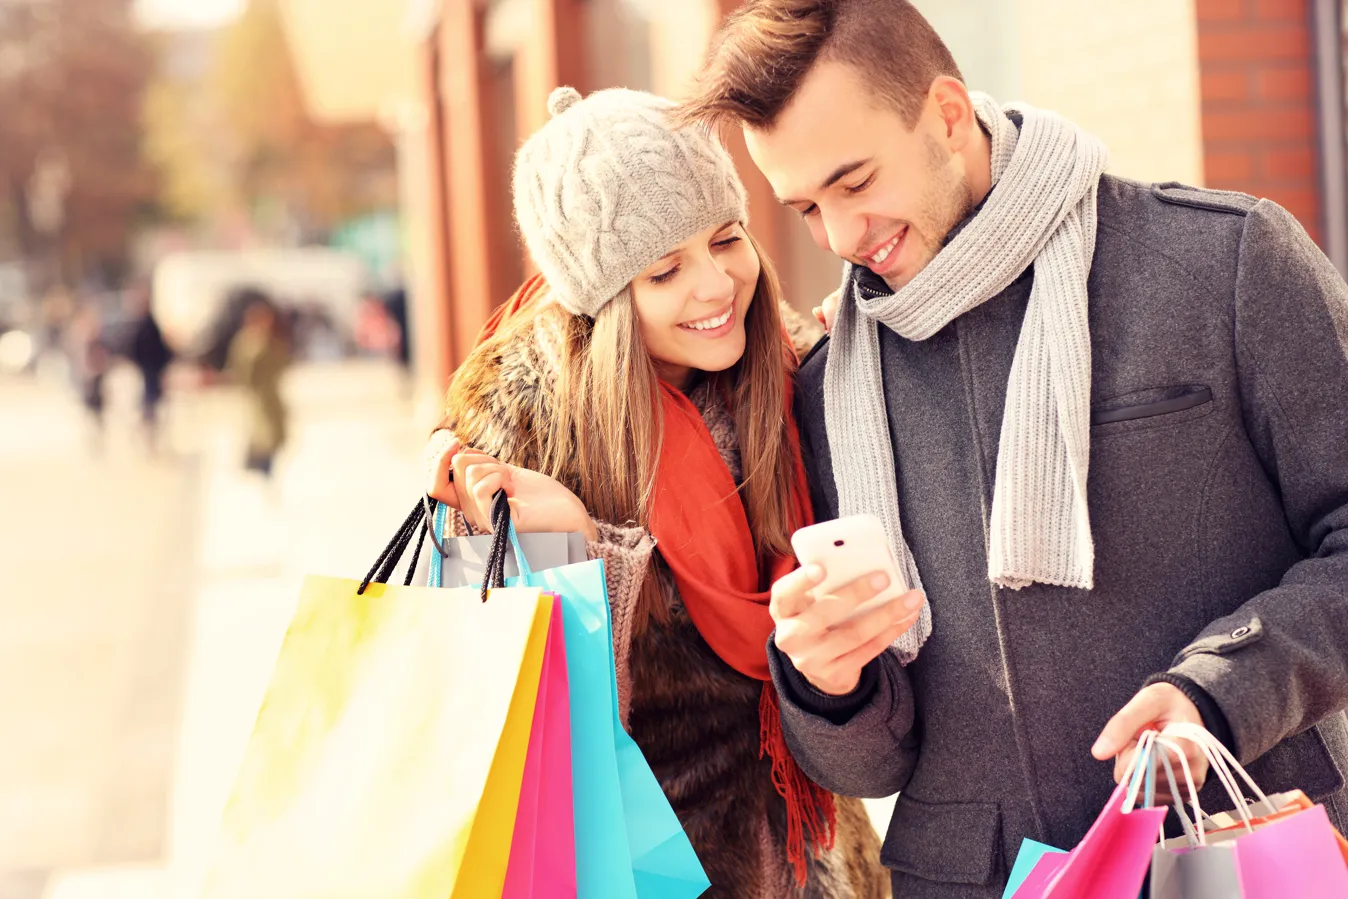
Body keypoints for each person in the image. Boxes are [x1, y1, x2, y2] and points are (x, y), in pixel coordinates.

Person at [675, 1, 1348, 896]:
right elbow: (874, 764)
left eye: (855, 181)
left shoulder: (1226, 264)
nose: (840, 237)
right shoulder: (826, 386)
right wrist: (828, 684)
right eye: (804, 207)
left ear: (947, 116)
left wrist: (1222, 690)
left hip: (1232, 850)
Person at [424, 87, 892, 898]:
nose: (716, 287)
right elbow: (509, 725)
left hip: (811, 848)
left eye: (727, 239)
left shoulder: (799, 373)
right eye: (665, 270)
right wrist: (576, 543)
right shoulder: (513, 435)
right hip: (631, 867)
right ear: (600, 299)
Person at [227, 296, 289, 478]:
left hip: (270, 394)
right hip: (258, 396)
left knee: (272, 435)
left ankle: (263, 471)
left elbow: (281, 363)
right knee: (263, 435)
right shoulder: (249, 341)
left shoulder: (269, 338)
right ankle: (258, 471)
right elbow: (242, 369)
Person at [124, 287, 174, 454]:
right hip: (150, 370)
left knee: (152, 401)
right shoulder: (146, 324)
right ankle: (147, 430)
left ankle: (148, 430)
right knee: (151, 401)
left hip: (152, 369)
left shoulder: (147, 324)